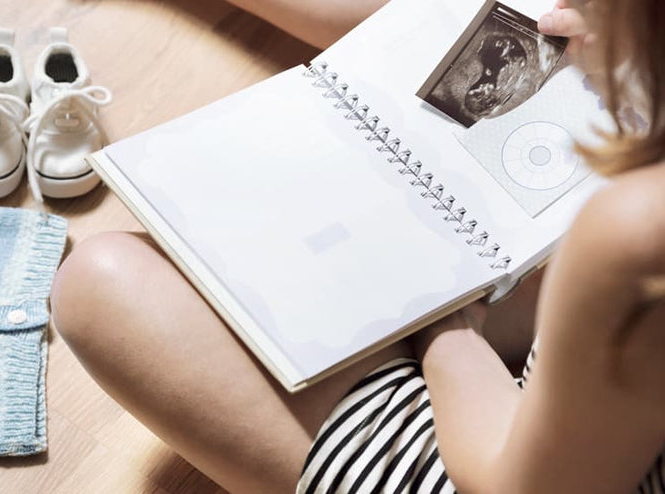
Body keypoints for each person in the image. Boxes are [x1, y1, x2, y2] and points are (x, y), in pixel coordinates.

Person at [49, 0, 665, 492]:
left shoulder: (636, 234)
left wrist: (442, 317)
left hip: (530, 468)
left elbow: (510, 482)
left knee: (100, 282)